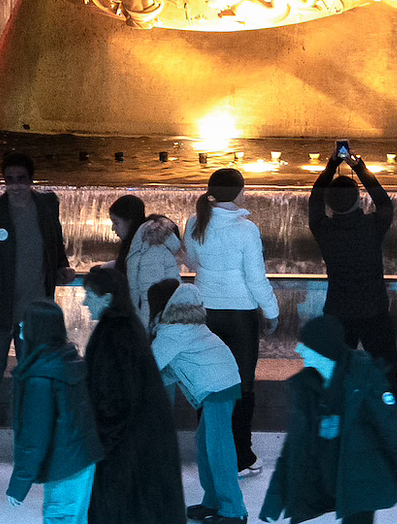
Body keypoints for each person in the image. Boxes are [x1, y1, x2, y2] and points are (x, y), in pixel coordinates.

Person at [260, 314, 397, 524]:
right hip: (323, 481)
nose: (299, 351)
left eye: (307, 346)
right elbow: (293, 448)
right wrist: (274, 501)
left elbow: (395, 435)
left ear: (324, 351)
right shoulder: (307, 387)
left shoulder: (365, 380)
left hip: (362, 482)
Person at [0, 151, 74, 472]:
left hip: (36, 316)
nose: (15, 186)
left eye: (21, 179)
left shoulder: (46, 206)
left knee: (36, 379)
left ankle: (36, 444)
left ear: (31, 181)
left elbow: (56, 242)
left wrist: (62, 267)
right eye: (9, 180)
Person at [183, 167, 280, 476]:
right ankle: (241, 455)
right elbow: (256, 278)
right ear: (240, 192)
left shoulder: (195, 222)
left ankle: (210, 451)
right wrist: (272, 311)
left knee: (207, 381)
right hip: (240, 314)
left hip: (204, 312)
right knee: (241, 385)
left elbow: (191, 262)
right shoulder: (246, 229)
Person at [81, 265, 187, 524]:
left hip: (128, 451)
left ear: (106, 298)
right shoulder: (127, 327)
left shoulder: (114, 335)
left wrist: (98, 447)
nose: (84, 302)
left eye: (90, 295)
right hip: (142, 445)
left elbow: (113, 401)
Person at [148, 279, 246, 523]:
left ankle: (234, 511)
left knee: (219, 448)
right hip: (222, 381)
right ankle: (213, 501)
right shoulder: (186, 326)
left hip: (218, 386)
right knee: (205, 444)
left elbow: (148, 367)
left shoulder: (173, 332)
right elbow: (173, 368)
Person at [307, 144, 397, 397]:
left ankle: (334, 433)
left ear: (329, 205)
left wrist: (330, 167)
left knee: (334, 381)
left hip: (337, 312)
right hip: (375, 311)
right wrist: (359, 167)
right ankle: (392, 430)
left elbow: (314, 199)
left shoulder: (323, 229)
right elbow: (382, 201)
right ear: (359, 200)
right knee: (387, 380)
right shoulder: (373, 226)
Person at [8, 298, 103, 523]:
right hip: (81, 458)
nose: (20, 326)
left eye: (25, 322)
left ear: (37, 328)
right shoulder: (67, 361)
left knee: (60, 516)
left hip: (66, 463)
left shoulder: (41, 377)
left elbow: (35, 436)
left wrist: (19, 483)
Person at [110, 195, 183, 326]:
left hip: (153, 325)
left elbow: (149, 297)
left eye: (116, 222)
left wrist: (143, 335)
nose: (113, 228)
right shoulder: (138, 247)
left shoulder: (151, 250)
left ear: (130, 221)